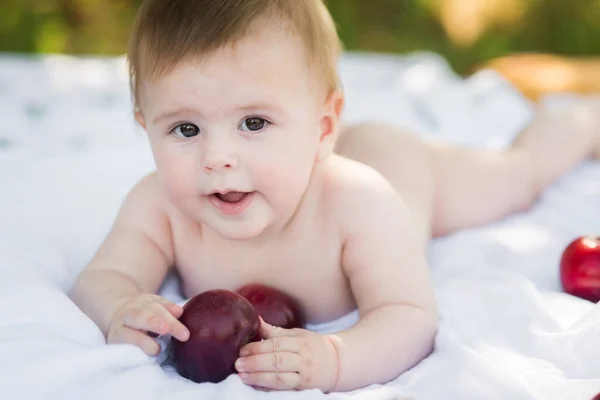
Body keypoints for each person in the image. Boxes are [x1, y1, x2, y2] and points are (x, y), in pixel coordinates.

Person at [69, 0, 600, 393]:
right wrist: (121, 307)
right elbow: (103, 277)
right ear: (144, 126)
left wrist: (336, 359)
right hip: (322, 161)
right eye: (184, 129)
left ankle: (575, 122)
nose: (217, 157)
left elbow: (409, 314)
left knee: (513, 180)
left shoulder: (361, 204)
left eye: (254, 122)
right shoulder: (159, 205)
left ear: (323, 127)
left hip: (399, 168)